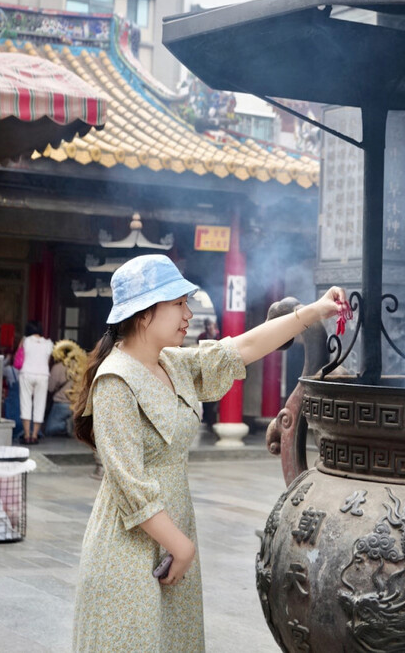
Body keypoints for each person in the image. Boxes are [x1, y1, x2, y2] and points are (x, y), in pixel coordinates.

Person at [71, 254, 345, 653]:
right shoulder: (116, 381)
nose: (188, 313)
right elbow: (128, 483)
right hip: (128, 545)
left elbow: (243, 347)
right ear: (145, 313)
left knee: (171, 640)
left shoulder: (170, 363)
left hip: (174, 527)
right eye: (178, 303)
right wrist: (181, 546)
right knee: (132, 638)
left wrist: (315, 311)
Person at [17, 321, 53, 445]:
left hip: (27, 373)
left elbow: (18, 356)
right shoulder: (48, 343)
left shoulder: (25, 341)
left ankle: (26, 436)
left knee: (25, 402)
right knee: (40, 404)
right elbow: (47, 361)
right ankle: (34, 435)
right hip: (42, 374)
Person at [45, 339, 87, 436]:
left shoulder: (58, 367)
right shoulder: (84, 366)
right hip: (78, 405)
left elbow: (50, 388)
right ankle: (68, 426)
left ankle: (63, 426)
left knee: (50, 430)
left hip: (61, 404)